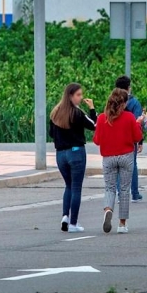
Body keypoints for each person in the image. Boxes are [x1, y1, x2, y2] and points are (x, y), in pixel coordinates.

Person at [94, 88, 145, 234]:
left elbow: (97, 140)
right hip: (126, 156)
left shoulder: (102, 118)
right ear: (124, 103)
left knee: (110, 188)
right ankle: (122, 224)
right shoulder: (129, 117)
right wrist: (138, 123)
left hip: (108, 157)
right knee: (124, 189)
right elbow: (137, 137)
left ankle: (108, 209)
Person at [49, 83, 97, 233]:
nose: (81, 98)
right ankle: (73, 223)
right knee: (76, 187)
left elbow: (51, 133)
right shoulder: (77, 113)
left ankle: (65, 216)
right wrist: (92, 108)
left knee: (68, 186)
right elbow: (94, 125)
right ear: (70, 95)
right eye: (78, 95)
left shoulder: (55, 112)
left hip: (60, 154)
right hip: (76, 152)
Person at [115, 76, 145, 202]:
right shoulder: (134, 102)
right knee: (132, 165)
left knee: (117, 165)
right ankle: (134, 193)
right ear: (128, 88)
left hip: (115, 137)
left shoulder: (112, 101)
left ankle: (119, 192)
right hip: (130, 138)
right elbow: (138, 122)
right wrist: (140, 141)